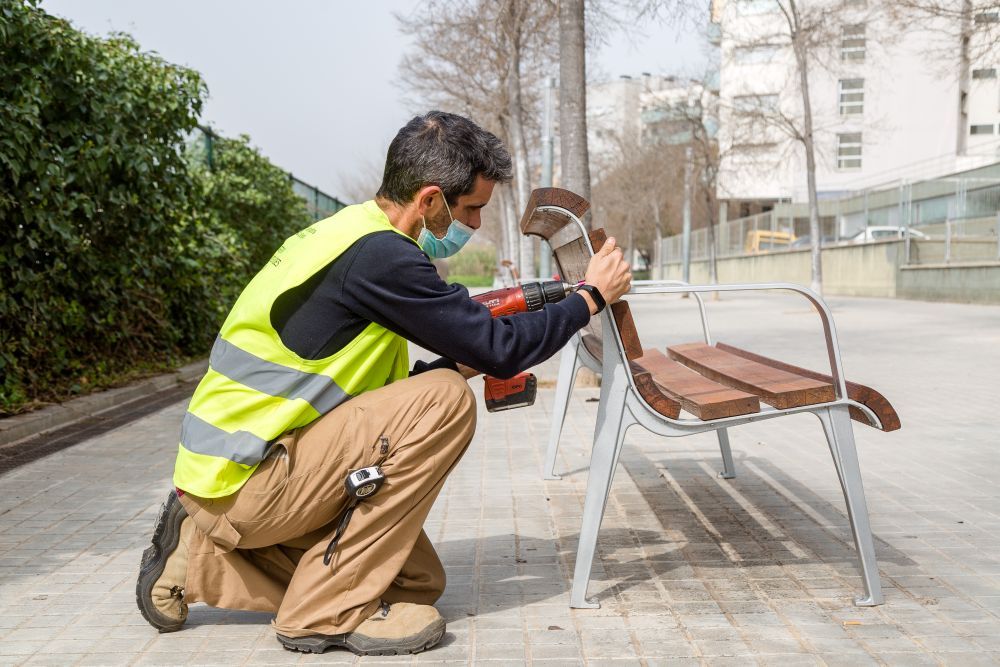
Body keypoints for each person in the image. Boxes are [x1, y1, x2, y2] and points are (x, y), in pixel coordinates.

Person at [135, 110, 632, 656]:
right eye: (472, 209)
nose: (477, 224)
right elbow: (500, 350)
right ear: (429, 200)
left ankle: (199, 557)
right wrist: (589, 298)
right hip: (249, 480)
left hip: (236, 473)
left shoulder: (353, 234)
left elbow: (377, 396)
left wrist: (464, 358)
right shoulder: (382, 259)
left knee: (416, 584)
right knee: (446, 403)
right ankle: (319, 613)